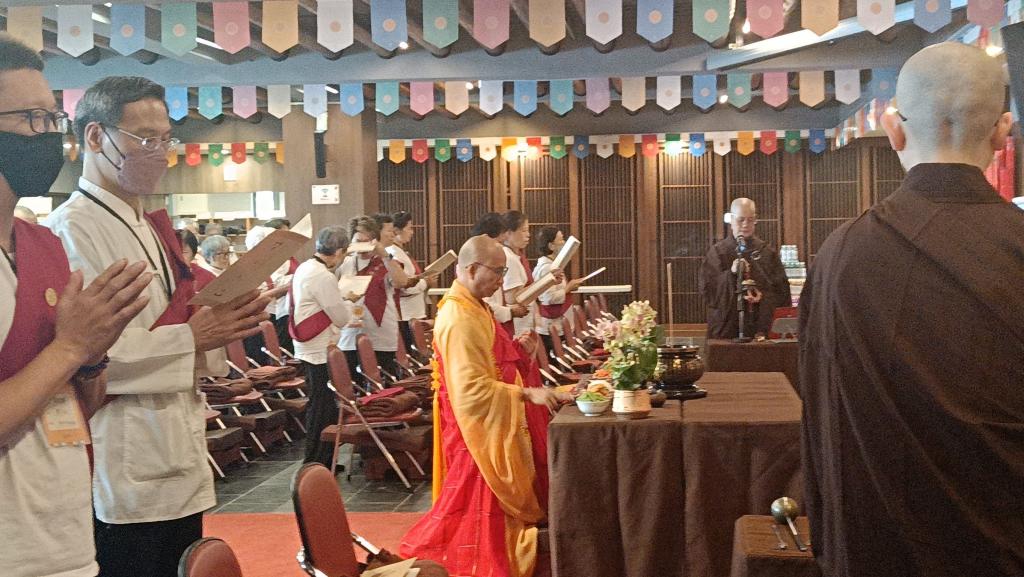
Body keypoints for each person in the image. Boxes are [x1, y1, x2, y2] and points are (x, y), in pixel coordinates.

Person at [800, 43, 1024, 577]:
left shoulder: (841, 256)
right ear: (1003, 132)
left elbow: (821, 423)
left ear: (892, 130)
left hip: (874, 553)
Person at [45, 75, 270, 577]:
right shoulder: (71, 229)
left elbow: (174, 322)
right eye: (145, 139)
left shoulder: (145, 224)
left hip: (175, 438)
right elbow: (84, 355)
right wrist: (192, 337)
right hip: (123, 452)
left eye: (166, 139)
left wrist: (222, 319)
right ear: (96, 137)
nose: (160, 153)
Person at [0, 34, 152, 577]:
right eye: (31, 119)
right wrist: (70, 347)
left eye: (52, 118)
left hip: (65, 534)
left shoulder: (41, 244)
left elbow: (81, 403)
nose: (49, 136)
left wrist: (91, 357)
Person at [400, 235, 569, 577]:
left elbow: (492, 362)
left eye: (504, 272)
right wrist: (525, 394)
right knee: (477, 505)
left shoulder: (476, 305)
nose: (501, 281)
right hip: (477, 427)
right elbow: (471, 390)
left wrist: (520, 352)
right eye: (497, 272)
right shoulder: (458, 317)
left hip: (493, 417)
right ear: (472, 269)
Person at [289, 225, 355, 468]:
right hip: (318, 348)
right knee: (321, 407)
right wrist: (349, 302)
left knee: (322, 405)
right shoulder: (323, 276)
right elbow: (341, 318)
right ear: (338, 252)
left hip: (310, 345)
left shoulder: (306, 267)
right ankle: (317, 461)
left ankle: (325, 459)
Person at [698, 198, 790, 339]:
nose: (746, 225)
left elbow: (781, 293)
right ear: (731, 220)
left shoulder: (766, 252)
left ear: (755, 220)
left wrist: (762, 297)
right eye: (741, 220)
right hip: (727, 328)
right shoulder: (718, 252)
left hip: (760, 328)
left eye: (750, 220)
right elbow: (709, 292)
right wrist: (731, 273)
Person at [336, 215, 411, 387]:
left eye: (367, 240)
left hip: (380, 331)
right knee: (354, 383)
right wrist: (342, 255)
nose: (363, 245)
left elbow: (401, 282)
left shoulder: (387, 262)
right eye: (358, 240)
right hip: (350, 332)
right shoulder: (345, 263)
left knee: (383, 383)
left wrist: (384, 254)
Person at [471, 212, 529, 332]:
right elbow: (484, 305)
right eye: (499, 243)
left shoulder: (488, 259)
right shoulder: (478, 264)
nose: (502, 248)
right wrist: (510, 312)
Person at [532, 226, 585, 354]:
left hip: (559, 323)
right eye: (561, 240)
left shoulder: (554, 264)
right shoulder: (546, 267)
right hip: (551, 326)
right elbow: (548, 298)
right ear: (551, 246)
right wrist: (568, 288)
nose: (564, 243)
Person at [388, 210, 434, 358]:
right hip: (406, 314)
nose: (412, 232)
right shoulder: (393, 254)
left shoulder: (401, 252)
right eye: (409, 228)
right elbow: (403, 286)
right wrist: (425, 283)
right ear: (396, 231)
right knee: (411, 355)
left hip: (412, 312)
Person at [500, 211, 539, 337]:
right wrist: (543, 284)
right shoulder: (509, 258)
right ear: (508, 233)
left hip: (523, 323)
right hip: (517, 326)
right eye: (524, 230)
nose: (528, 235)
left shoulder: (516, 256)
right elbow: (512, 298)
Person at [264, 217, 296, 353]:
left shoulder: (287, 255)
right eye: (284, 234)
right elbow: (275, 282)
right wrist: (299, 278)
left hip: (290, 307)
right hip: (279, 311)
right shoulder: (272, 257)